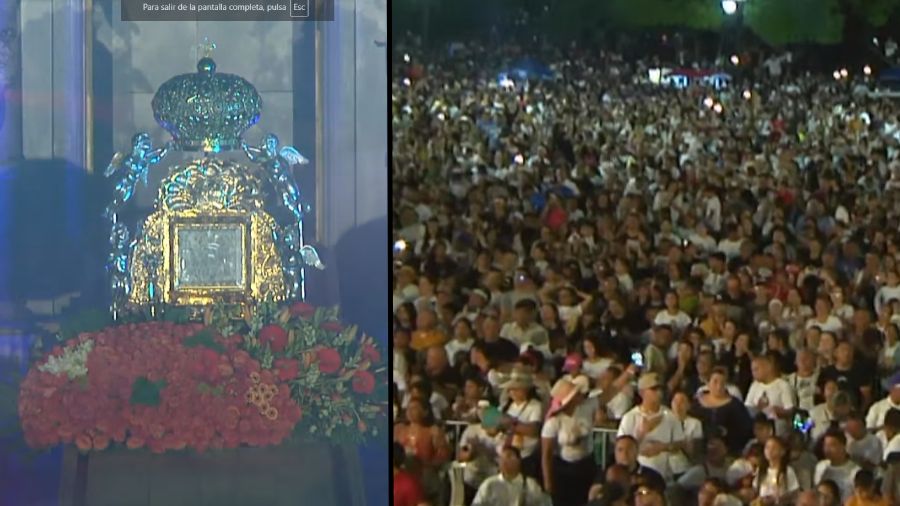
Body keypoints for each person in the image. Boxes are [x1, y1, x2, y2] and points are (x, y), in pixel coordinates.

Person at [617, 373, 687, 480]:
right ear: (642, 392)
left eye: (660, 389)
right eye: (653, 389)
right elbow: (621, 448)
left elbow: (680, 442)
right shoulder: (630, 417)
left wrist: (663, 447)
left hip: (664, 474)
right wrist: (643, 432)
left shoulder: (670, 416)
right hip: (637, 473)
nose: (659, 393)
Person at [540, 378, 595, 506]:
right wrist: (548, 481)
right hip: (564, 471)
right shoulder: (553, 422)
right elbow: (546, 454)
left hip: (586, 466)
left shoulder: (584, 410)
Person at [497, 367, 544, 481]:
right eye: (510, 389)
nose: (511, 391)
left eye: (516, 388)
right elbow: (491, 427)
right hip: (504, 455)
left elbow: (533, 430)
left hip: (525, 456)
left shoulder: (535, 406)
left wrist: (510, 423)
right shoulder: (506, 406)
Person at [694, 366, 753, 455]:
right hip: (700, 449)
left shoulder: (735, 405)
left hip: (727, 451)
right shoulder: (696, 402)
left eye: (722, 383)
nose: (719, 386)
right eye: (715, 382)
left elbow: (744, 430)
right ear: (708, 383)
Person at [472, 446, 551, 506]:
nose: (504, 461)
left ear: (519, 460)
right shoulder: (489, 484)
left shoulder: (530, 485)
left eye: (509, 457)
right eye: (501, 458)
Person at [745, 354, 795, 436]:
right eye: (752, 370)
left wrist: (777, 411)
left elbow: (791, 411)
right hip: (758, 430)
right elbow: (748, 407)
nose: (754, 373)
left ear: (768, 367)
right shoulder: (754, 385)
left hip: (779, 431)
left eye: (756, 369)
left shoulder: (783, 385)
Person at [814, 431, 861, 503]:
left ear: (843, 446)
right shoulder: (820, 466)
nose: (827, 449)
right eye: (825, 445)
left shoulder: (856, 471)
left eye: (832, 445)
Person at [752, 436, 799, 505]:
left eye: (774, 448)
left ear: (782, 451)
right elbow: (756, 489)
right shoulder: (761, 470)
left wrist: (778, 499)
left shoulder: (787, 471)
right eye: (767, 447)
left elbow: (794, 493)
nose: (770, 451)